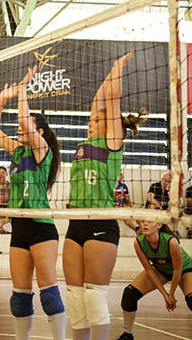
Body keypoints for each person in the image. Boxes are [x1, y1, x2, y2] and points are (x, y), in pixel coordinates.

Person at [64, 52, 146, 340]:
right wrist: (108, 74)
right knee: (75, 298)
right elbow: (98, 102)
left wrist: (117, 70)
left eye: (96, 121)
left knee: (93, 298)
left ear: (111, 127)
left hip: (101, 223)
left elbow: (110, 103)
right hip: (75, 224)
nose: (91, 121)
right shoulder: (86, 143)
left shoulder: (112, 144)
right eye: (91, 120)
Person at [0, 67, 65, 340]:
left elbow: (23, 118)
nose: (19, 128)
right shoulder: (18, 151)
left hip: (42, 227)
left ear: (38, 131)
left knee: (49, 294)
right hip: (20, 226)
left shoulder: (43, 150)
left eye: (26, 126)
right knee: (20, 296)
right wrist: (2, 98)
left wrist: (22, 90)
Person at [116, 220, 192, 340]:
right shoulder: (138, 242)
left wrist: (171, 294)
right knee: (129, 293)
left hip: (185, 269)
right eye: (143, 221)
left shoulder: (171, 241)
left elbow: (177, 270)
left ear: (159, 225)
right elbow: (149, 270)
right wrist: (165, 294)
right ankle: (127, 335)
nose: (145, 224)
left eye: (149, 221)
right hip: (161, 270)